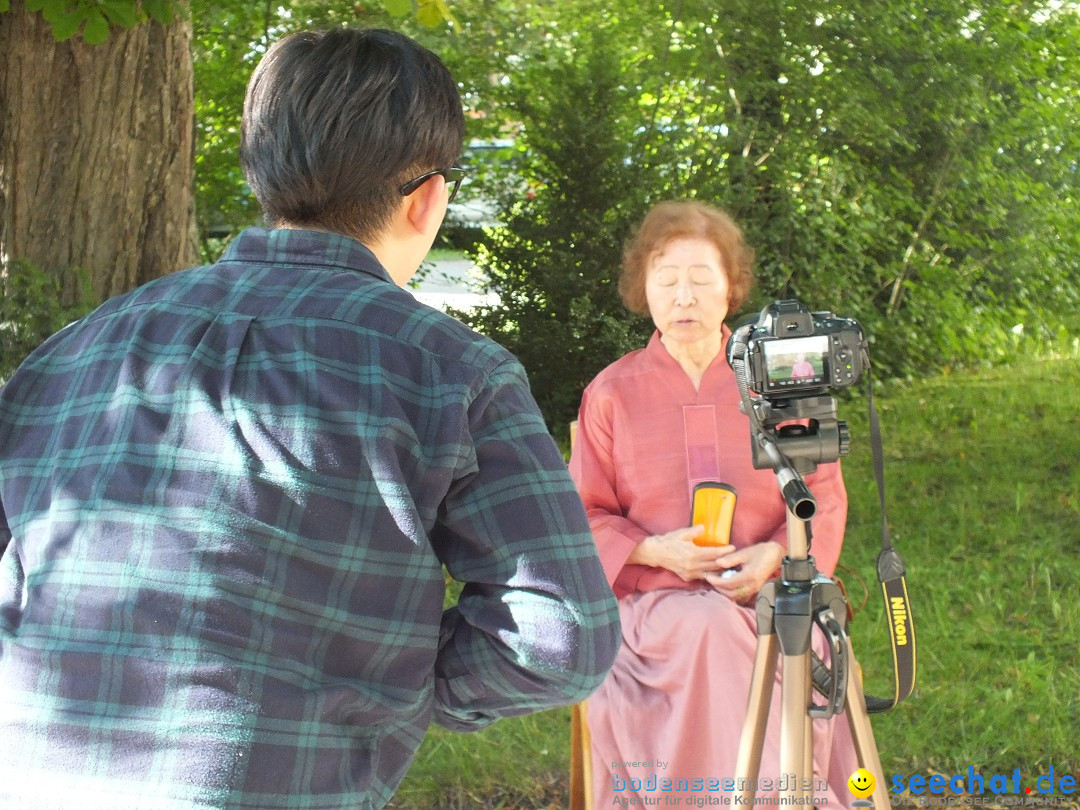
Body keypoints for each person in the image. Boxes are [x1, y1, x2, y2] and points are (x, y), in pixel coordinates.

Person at [0, 28, 619, 810]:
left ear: (263, 173)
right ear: (428, 199)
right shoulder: (451, 370)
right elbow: (561, 638)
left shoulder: (74, 350)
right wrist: (387, 686)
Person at [568, 200, 859, 807]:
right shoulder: (612, 393)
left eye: (701, 280)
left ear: (731, 290)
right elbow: (581, 517)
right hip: (652, 607)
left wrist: (775, 558)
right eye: (666, 279)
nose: (683, 297)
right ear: (641, 290)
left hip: (769, 599)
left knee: (786, 637)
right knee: (701, 625)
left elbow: (822, 497)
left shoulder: (777, 381)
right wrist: (653, 550)